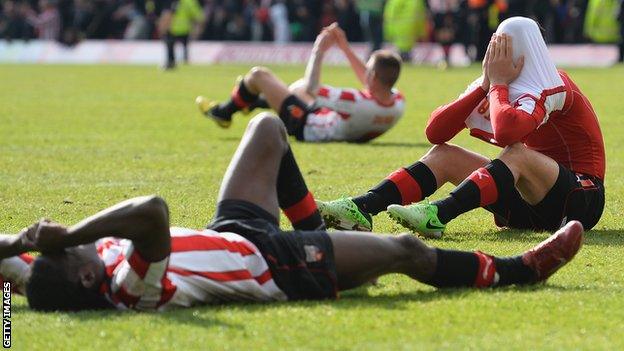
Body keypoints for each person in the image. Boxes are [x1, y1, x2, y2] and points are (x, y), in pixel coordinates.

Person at [1, 113, 583, 312]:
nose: (60, 245)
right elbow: (150, 212)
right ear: (86, 273)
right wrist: (70, 231)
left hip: (235, 232)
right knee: (404, 253)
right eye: (73, 251)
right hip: (275, 267)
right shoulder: (130, 286)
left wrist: (18, 248)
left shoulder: (47, 279)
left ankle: (319, 231)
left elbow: (12, 273)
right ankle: (519, 271)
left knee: (266, 129)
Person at [318, 17, 605, 238]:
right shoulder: (497, 83)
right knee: (445, 154)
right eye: (497, 48)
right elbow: (435, 132)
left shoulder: (555, 84)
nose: (499, 56)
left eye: (505, 49)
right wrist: (483, 86)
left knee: (515, 152)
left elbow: (507, 133)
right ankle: (362, 207)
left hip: (581, 199)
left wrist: (499, 85)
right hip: (532, 205)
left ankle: (438, 214)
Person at [196, 23, 405, 143]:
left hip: (305, 124)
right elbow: (373, 82)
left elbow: (312, 88)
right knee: (295, 88)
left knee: (258, 75)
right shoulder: (397, 103)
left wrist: (319, 49)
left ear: (373, 77)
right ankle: (251, 102)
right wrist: (344, 46)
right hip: (331, 122)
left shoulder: (355, 101)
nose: (365, 73)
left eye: (368, 70)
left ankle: (224, 112)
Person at [158, 0, 204, 70]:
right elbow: (199, 16)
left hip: (173, 29)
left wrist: (163, 28)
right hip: (185, 29)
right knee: (185, 48)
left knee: (170, 46)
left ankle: (170, 62)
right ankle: (185, 63)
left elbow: (167, 15)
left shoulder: (172, 2)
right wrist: (197, 29)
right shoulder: (190, 2)